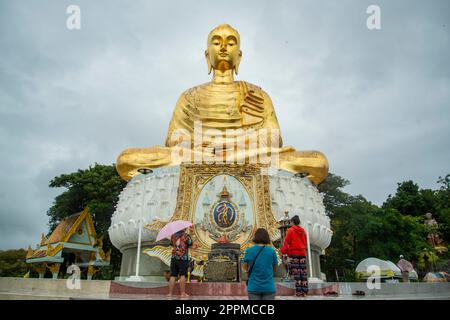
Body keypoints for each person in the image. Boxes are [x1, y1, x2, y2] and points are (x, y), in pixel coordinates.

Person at [242, 228, 278, 300]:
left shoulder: (249, 251)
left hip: (253, 287)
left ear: (255, 237)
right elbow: (275, 269)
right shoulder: (272, 251)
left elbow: (244, 268)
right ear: (267, 237)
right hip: (269, 287)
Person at [281, 215, 308, 297]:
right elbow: (305, 241)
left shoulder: (290, 230)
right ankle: (304, 292)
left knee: (297, 273)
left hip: (294, 254)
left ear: (292, 222)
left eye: (291, 222)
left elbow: (287, 242)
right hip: (302, 253)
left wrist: (283, 251)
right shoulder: (303, 231)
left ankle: (299, 292)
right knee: (303, 273)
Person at [167, 227, 193, 298]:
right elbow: (190, 244)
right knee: (182, 275)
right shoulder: (186, 236)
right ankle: (182, 293)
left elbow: (172, 245)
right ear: (183, 228)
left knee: (173, 275)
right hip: (183, 258)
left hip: (174, 258)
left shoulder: (173, 236)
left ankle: (170, 293)